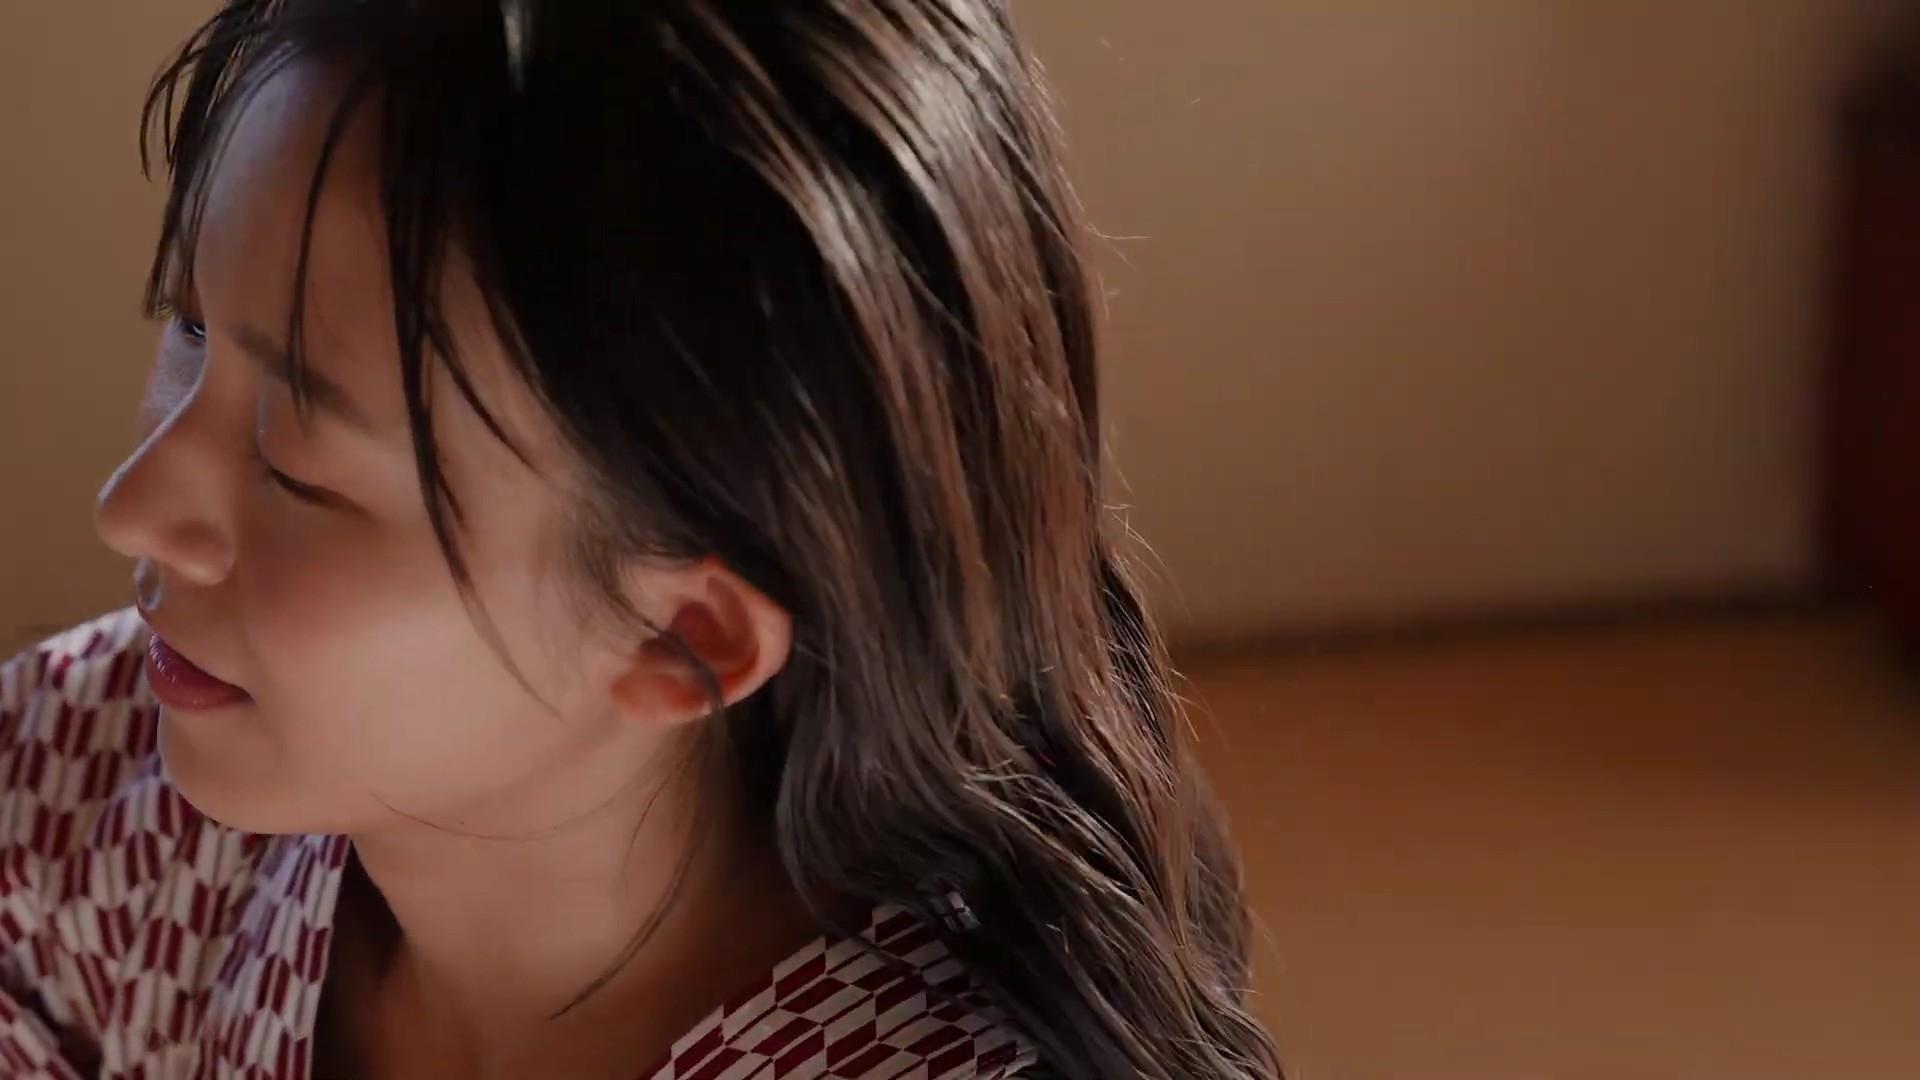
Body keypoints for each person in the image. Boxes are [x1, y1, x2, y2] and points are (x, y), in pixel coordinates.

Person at [0, 1, 1280, 1076]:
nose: (133, 503)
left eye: (297, 465)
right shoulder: (83, 786)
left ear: (683, 637)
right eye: (191, 329)